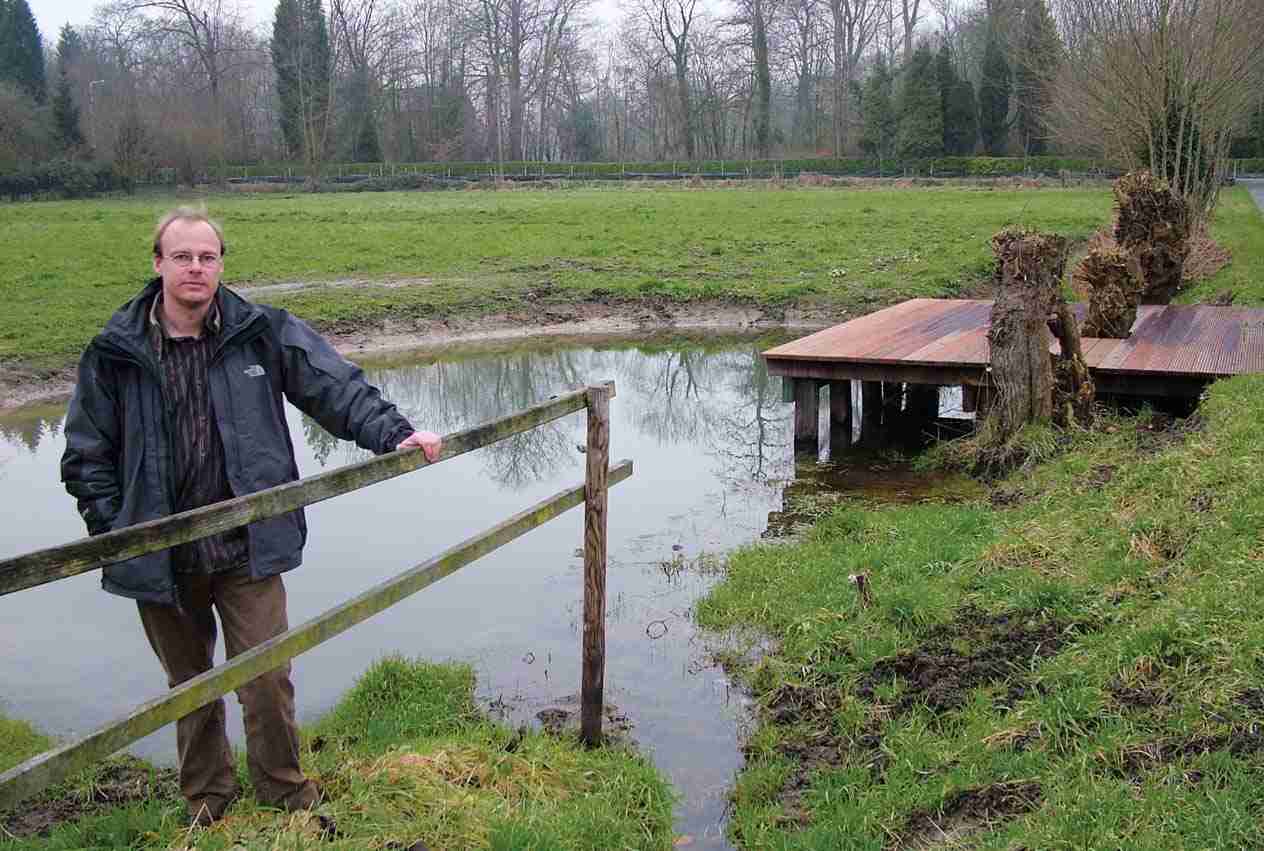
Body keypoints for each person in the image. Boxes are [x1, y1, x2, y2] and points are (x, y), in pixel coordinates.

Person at [60, 207, 442, 827]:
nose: (195, 268)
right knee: (191, 688)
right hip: (163, 555)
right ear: (157, 264)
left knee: (266, 677)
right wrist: (118, 535)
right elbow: (87, 455)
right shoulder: (115, 351)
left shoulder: (259, 331)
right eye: (182, 256)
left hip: (248, 545)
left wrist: (393, 433)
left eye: (207, 257)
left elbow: (333, 387)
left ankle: (284, 792)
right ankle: (208, 804)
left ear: (220, 265)